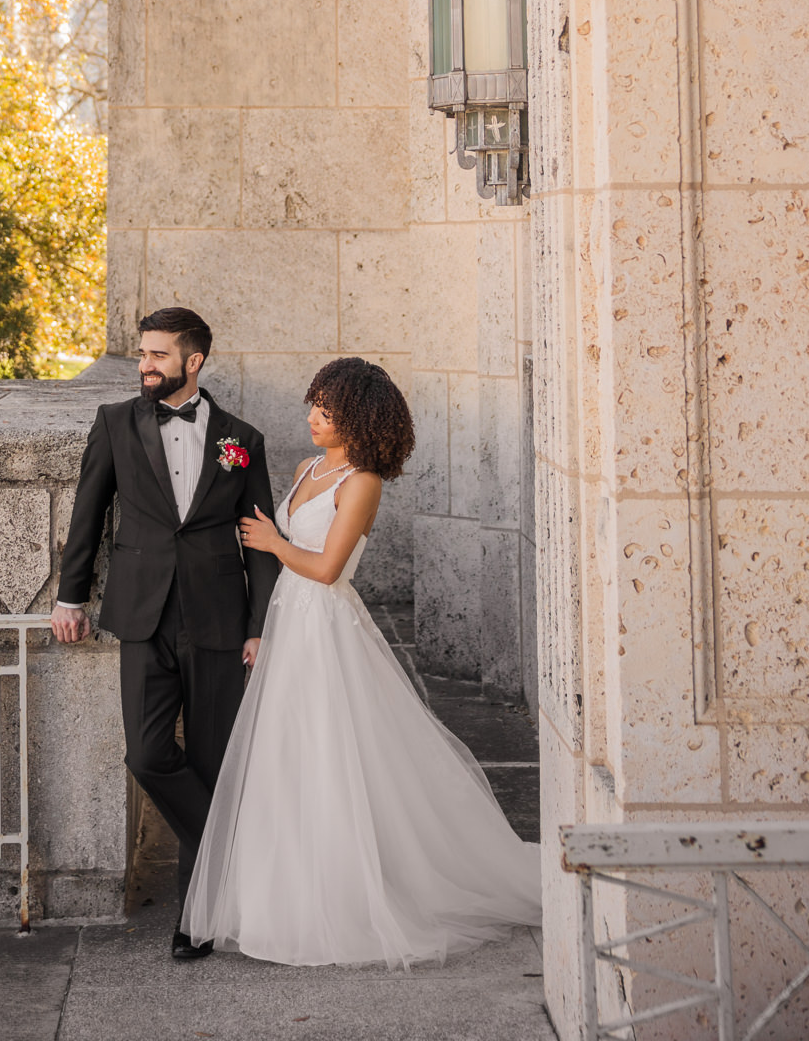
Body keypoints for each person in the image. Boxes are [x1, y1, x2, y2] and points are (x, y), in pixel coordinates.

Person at [182, 356, 542, 968]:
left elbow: (326, 570)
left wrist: (274, 541)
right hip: (286, 622)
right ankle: (278, 897)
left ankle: (342, 897)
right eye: (314, 406)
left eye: (324, 410)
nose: (312, 418)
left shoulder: (363, 482)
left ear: (355, 417)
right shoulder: (306, 467)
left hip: (325, 627)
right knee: (285, 754)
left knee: (331, 754)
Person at [50, 306, 278, 961]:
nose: (144, 365)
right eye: (141, 355)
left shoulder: (241, 439)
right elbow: (87, 510)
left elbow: (259, 544)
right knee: (149, 755)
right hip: (141, 615)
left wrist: (260, 627)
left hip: (218, 620)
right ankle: (229, 855)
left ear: (193, 361)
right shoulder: (114, 423)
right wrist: (70, 597)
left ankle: (196, 920)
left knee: (211, 762)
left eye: (155, 355)